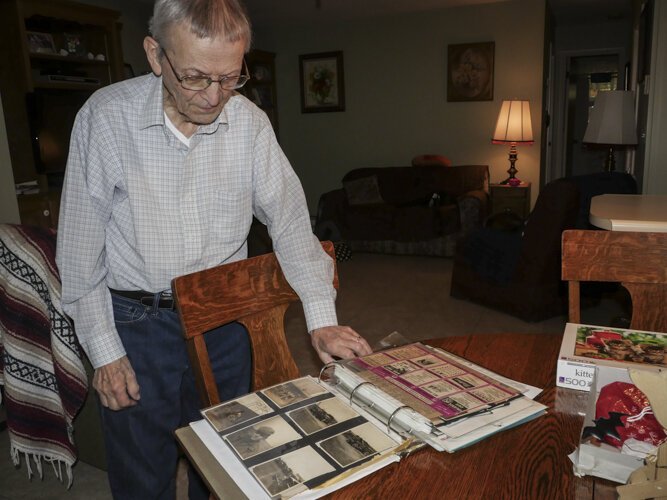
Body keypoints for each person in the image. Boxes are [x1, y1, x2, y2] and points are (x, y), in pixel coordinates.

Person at [55, 1, 372, 498]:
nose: (212, 97)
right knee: (143, 471)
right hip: (137, 326)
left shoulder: (249, 123)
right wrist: (104, 351)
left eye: (229, 78)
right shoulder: (105, 119)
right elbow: (78, 253)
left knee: (227, 460)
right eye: (196, 77)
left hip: (225, 320)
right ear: (155, 55)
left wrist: (321, 316)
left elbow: (289, 222)